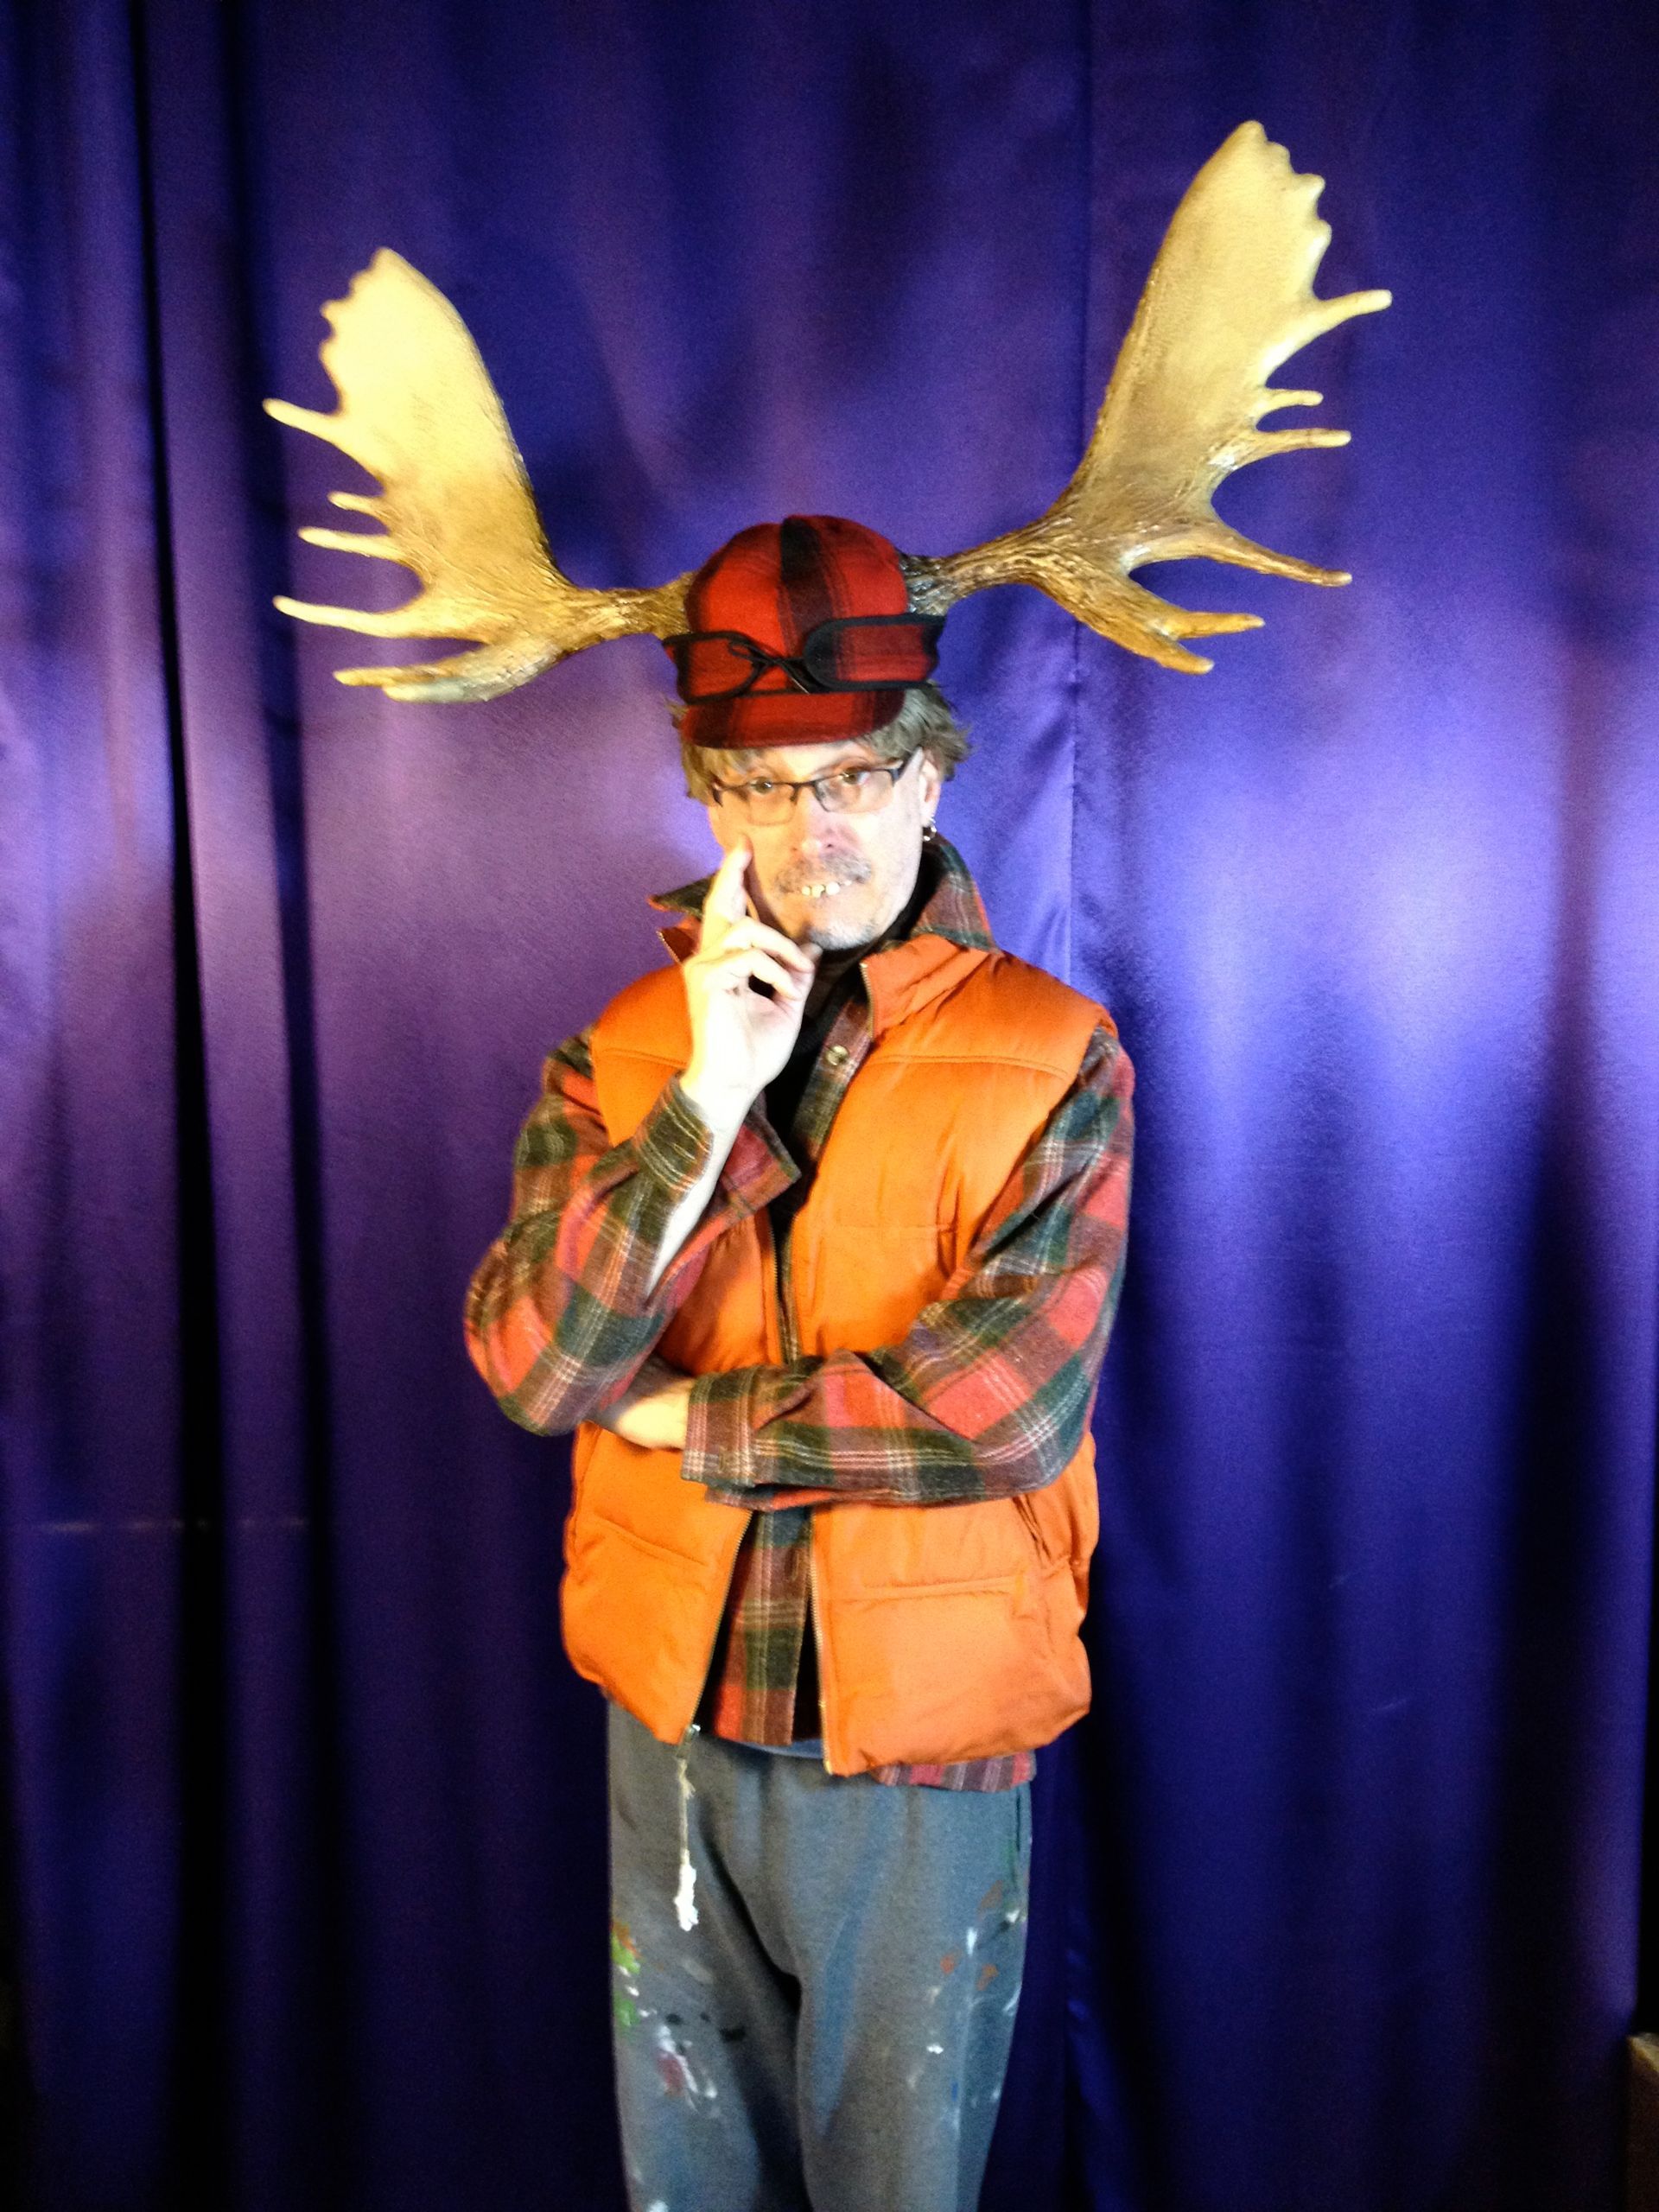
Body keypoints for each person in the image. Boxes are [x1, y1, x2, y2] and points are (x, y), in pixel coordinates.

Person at [464, 515, 1135, 2212]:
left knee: (898, 2185)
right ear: (708, 798)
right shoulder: (620, 1053)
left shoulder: (1054, 1055)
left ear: (925, 781)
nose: (804, 830)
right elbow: (539, 1368)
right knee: (685, 2181)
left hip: (914, 1742)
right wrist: (703, 1101)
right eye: (757, 789)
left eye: (846, 779)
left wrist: (693, 1414)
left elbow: (999, 1410)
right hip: (672, 1716)